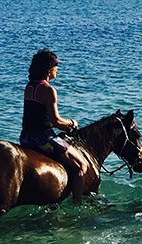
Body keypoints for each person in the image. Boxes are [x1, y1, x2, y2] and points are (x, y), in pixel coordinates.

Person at [20, 49, 88, 203]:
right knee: (80, 166)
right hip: (44, 139)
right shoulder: (49, 90)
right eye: (56, 66)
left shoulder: (29, 87)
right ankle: (77, 203)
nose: (57, 69)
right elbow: (56, 121)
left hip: (25, 138)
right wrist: (71, 123)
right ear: (48, 69)